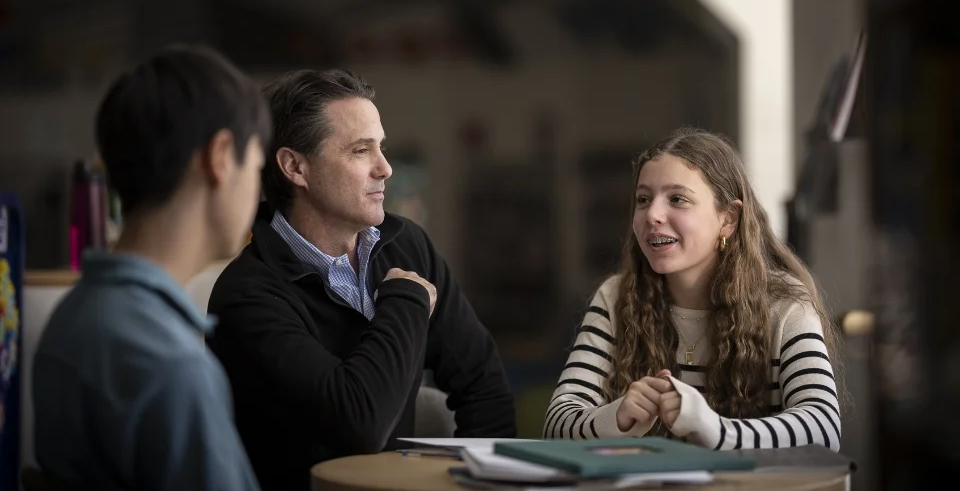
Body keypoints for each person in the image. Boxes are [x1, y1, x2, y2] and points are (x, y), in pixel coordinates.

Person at [207, 68, 516, 491]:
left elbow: (484, 385)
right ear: (295, 167)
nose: (385, 168)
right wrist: (405, 301)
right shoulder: (245, 296)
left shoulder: (408, 245)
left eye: (381, 148)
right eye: (360, 151)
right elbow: (359, 425)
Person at [32, 45, 269, 490]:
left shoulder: (77, 314)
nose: (258, 196)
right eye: (255, 166)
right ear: (219, 157)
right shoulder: (170, 362)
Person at [543, 128, 843, 451]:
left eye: (677, 199)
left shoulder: (785, 306)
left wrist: (715, 429)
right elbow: (556, 422)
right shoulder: (615, 298)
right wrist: (616, 417)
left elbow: (824, 428)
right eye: (643, 199)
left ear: (728, 219)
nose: (653, 215)